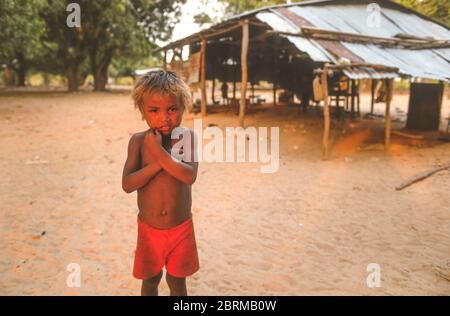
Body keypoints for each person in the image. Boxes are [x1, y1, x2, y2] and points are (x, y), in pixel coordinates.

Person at [122, 70, 199, 296]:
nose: (164, 117)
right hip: (148, 230)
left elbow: (189, 176)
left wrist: (159, 153)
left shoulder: (186, 138)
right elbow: (127, 184)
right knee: (150, 280)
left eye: (172, 109)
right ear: (142, 110)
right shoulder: (138, 141)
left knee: (177, 281)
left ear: (184, 107)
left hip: (181, 228)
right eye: (154, 110)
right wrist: (157, 162)